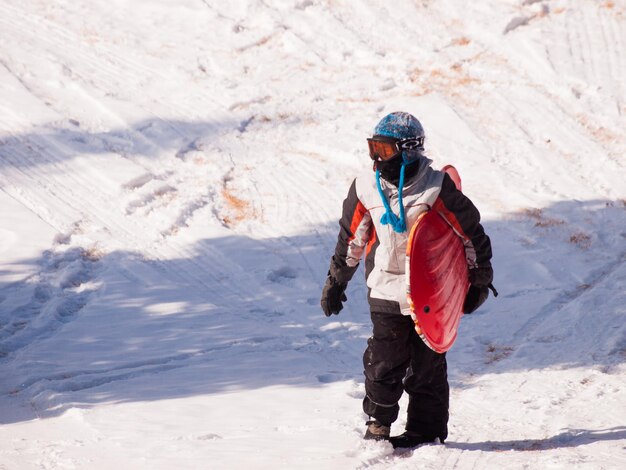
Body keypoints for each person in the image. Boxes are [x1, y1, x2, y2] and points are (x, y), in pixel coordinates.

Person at [320, 112, 494, 448]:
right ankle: (379, 423)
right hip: (386, 287)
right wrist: (336, 281)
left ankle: (424, 432)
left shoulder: (435, 188)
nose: (375, 158)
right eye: (373, 148)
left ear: (408, 149)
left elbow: (471, 236)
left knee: (427, 366)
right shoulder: (365, 187)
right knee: (384, 360)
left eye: (384, 151)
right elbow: (351, 240)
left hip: (431, 293)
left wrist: (477, 282)